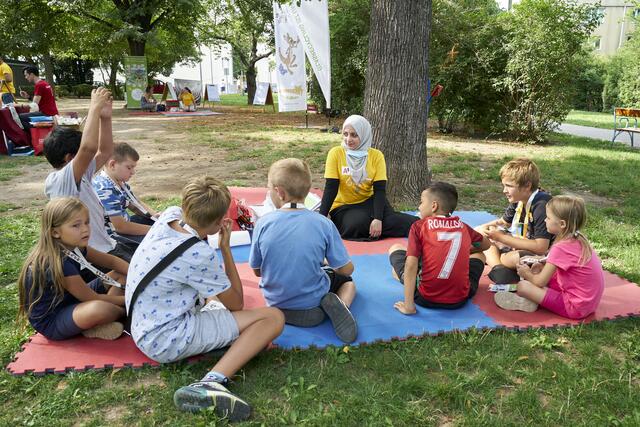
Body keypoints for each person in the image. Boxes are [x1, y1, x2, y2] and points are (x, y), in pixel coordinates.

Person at [126, 176, 284, 420]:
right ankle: (211, 381)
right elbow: (236, 302)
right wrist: (225, 248)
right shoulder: (197, 253)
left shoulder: (169, 216)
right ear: (218, 222)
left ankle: (221, 345)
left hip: (141, 323)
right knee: (272, 318)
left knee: (214, 300)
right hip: (165, 339)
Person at [250, 158, 358, 343]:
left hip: (275, 303)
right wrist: (325, 262)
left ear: (279, 192)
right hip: (311, 306)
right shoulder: (323, 223)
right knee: (348, 282)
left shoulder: (263, 224)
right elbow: (346, 269)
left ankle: (291, 311)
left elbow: (257, 270)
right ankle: (342, 305)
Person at [43, 87, 134, 265]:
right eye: (81, 157)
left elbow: (106, 151)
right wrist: (94, 108)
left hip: (107, 244)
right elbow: (88, 148)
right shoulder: (62, 180)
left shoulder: (80, 175)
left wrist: (105, 117)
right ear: (69, 158)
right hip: (93, 255)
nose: (87, 158)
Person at [18, 198, 128, 341]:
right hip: (54, 320)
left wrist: (139, 274)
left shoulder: (74, 246)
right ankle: (121, 313)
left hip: (73, 300)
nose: (85, 229)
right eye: (76, 225)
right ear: (55, 232)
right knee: (98, 309)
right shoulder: (58, 262)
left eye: (87, 222)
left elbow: (112, 261)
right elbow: (92, 298)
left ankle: (101, 323)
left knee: (122, 274)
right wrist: (129, 299)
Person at [495, 196, 605, 319]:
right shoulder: (577, 238)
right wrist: (539, 264)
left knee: (523, 286)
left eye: (548, 218)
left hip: (575, 307)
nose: (545, 220)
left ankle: (528, 301)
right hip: (589, 304)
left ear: (562, 224)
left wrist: (526, 273)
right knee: (538, 269)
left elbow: (539, 281)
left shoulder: (560, 247)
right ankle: (537, 297)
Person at [389, 182, 490, 314]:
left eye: (421, 202)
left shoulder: (419, 226)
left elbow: (410, 265)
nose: (419, 207)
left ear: (434, 206)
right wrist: (464, 251)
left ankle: (401, 276)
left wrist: (409, 306)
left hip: (425, 298)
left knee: (395, 249)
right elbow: (486, 244)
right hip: (460, 299)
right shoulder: (463, 227)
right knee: (480, 255)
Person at [319, 114, 418, 241]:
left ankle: (381, 225)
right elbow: (331, 188)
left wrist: (378, 218)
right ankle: (379, 228)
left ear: (364, 135)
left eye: (354, 135)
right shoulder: (336, 153)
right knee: (354, 225)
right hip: (343, 206)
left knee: (408, 223)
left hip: (371, 202)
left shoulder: (376, 156)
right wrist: (321, 218)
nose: (348, 139)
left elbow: (380, 190)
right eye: (345, 134)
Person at [475, 158, 553, 283]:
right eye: (504, 185)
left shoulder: (541, 205)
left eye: (509, 186)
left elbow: (541, 247)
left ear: (527, 186)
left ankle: (501, 265)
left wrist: (501, 238)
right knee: (484, 239)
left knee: (511, 258)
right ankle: (499, 269)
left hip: (541, 255)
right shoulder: (519, 198)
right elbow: (504, 221)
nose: (504, 190)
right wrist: (481, 228)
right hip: (520, 245)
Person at [93, 142, 158, 246]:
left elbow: (136, 206)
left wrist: (156, 216)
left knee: (153, 221)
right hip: (114, 236)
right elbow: (120, 227)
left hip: (123, 226)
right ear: (112, 164)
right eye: (129, 167)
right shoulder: (105, 189)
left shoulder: (119, 183)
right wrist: (156, 229)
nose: (133, 172)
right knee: (156, 240)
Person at [18, 65, 59, 132]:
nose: (25, 77)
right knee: (24, 116)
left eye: (26, 75)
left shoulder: (39, 85)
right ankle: (36, 132)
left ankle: (35, 133)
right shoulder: (44, 83)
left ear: (31, 74)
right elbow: (42, 100)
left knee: (19, 117)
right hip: (52, 113)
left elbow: (34, 106)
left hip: (46, 114)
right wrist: (28, 97)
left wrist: (17, 105)